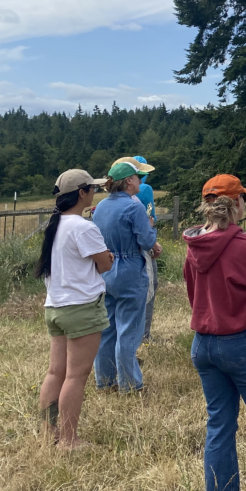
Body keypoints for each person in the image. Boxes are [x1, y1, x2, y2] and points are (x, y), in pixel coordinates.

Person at [183, 174, 246, 491]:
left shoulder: (193, 245)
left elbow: (193, 293)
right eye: (245, 198)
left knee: (219, 424)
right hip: (241, 342)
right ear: (237, 203)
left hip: (203, 344)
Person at [36, 169, 112, 449]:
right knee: (76, 376)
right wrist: (109, 257)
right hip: (81, 307)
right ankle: (69, 440)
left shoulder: (55, 225)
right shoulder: (83, 227)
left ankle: (49, 434)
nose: (95, 192)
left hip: (54, 306)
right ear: (82, 193)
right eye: (92, 188)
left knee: (55, 372)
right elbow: (104, 265)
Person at [93, 158, 160, 393]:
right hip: (130, 267)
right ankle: (130, 384)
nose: (140, 181)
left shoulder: (100, 207)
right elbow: (146, 240)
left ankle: (105, 379)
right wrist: (152, 232)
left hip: (106, 268)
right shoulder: (134, 207)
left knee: (107, 327)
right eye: (138, 178)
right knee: (129, 329)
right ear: (129, 181)